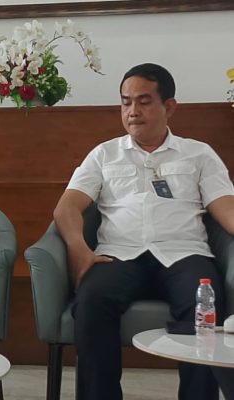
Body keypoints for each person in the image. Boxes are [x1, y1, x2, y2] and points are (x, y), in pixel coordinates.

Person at [53, 63, 234, 400]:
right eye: (125, 102)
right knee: (91, 301)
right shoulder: (104, 154)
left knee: (203, 308)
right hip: (118, 255)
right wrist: (80, 249)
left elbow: (227, 210)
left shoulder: (198, 154)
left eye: (144, 101)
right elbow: (66, 208)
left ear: (169, 106)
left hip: (184, 254)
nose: (132, 111)